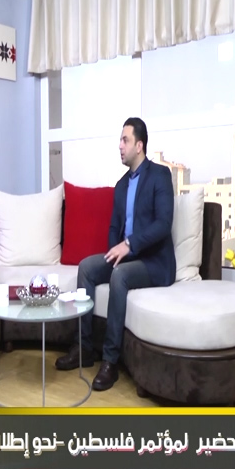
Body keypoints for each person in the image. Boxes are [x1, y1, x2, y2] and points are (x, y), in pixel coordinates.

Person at [55, 117, 176, 391]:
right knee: (87, 268)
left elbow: (163, 224)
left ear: (139, 146)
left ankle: (110, 361)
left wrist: (129, 245)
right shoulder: (121, 185)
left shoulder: (160, 175)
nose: (120, 146)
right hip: (128, 258)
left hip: (154, 262)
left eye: (125, 140)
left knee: (119, 275)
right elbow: (114, 227)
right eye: (120, 140)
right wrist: (114, 251)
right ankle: (83, 347)